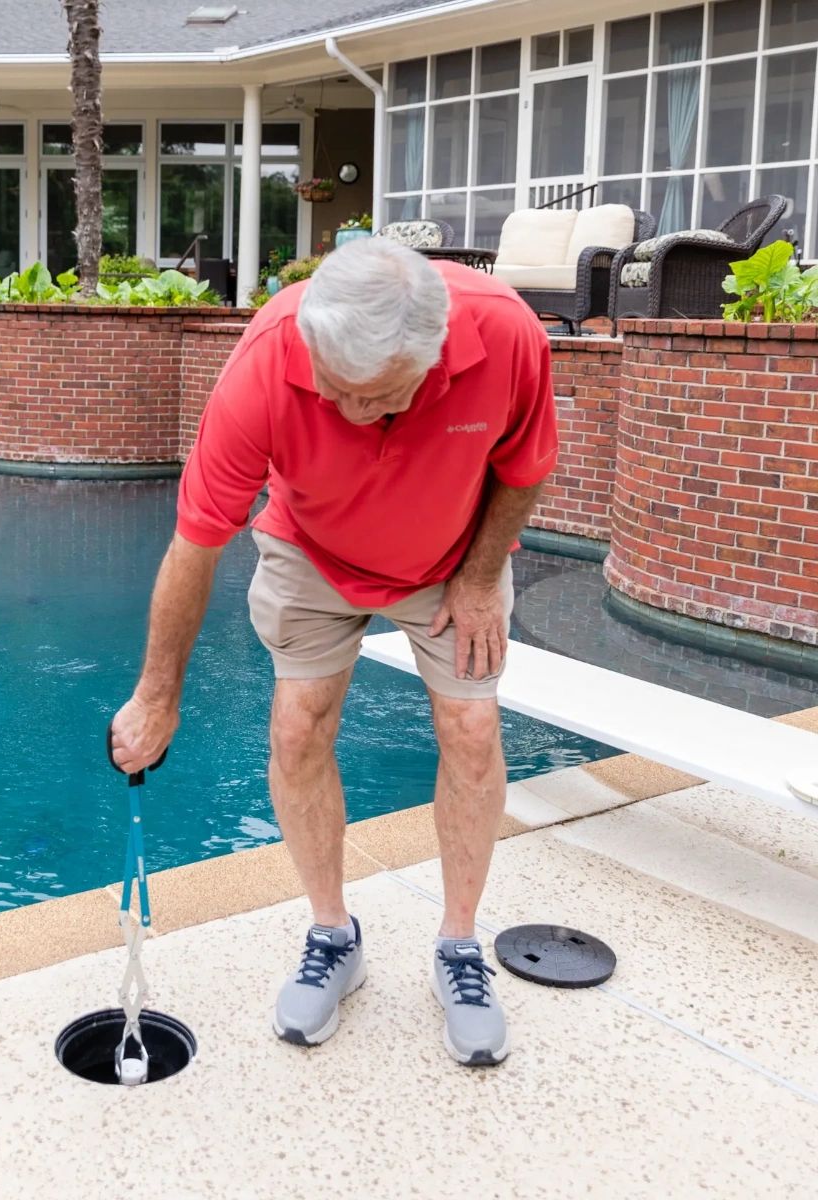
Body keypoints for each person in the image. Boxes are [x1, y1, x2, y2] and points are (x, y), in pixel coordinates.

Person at [110, 237, 558, 1066]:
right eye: (328, 385)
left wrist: (481, 574)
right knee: (297, 727)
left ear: (426, 362)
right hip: (310, 550)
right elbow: (197, 541)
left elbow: (525, 467)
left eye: (369, 397)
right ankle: (332, 935)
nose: (340, 407)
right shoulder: (270, 361)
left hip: (455, 556)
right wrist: (157, 694)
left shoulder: (505, 334)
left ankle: (459, 946)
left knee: (471, 731)